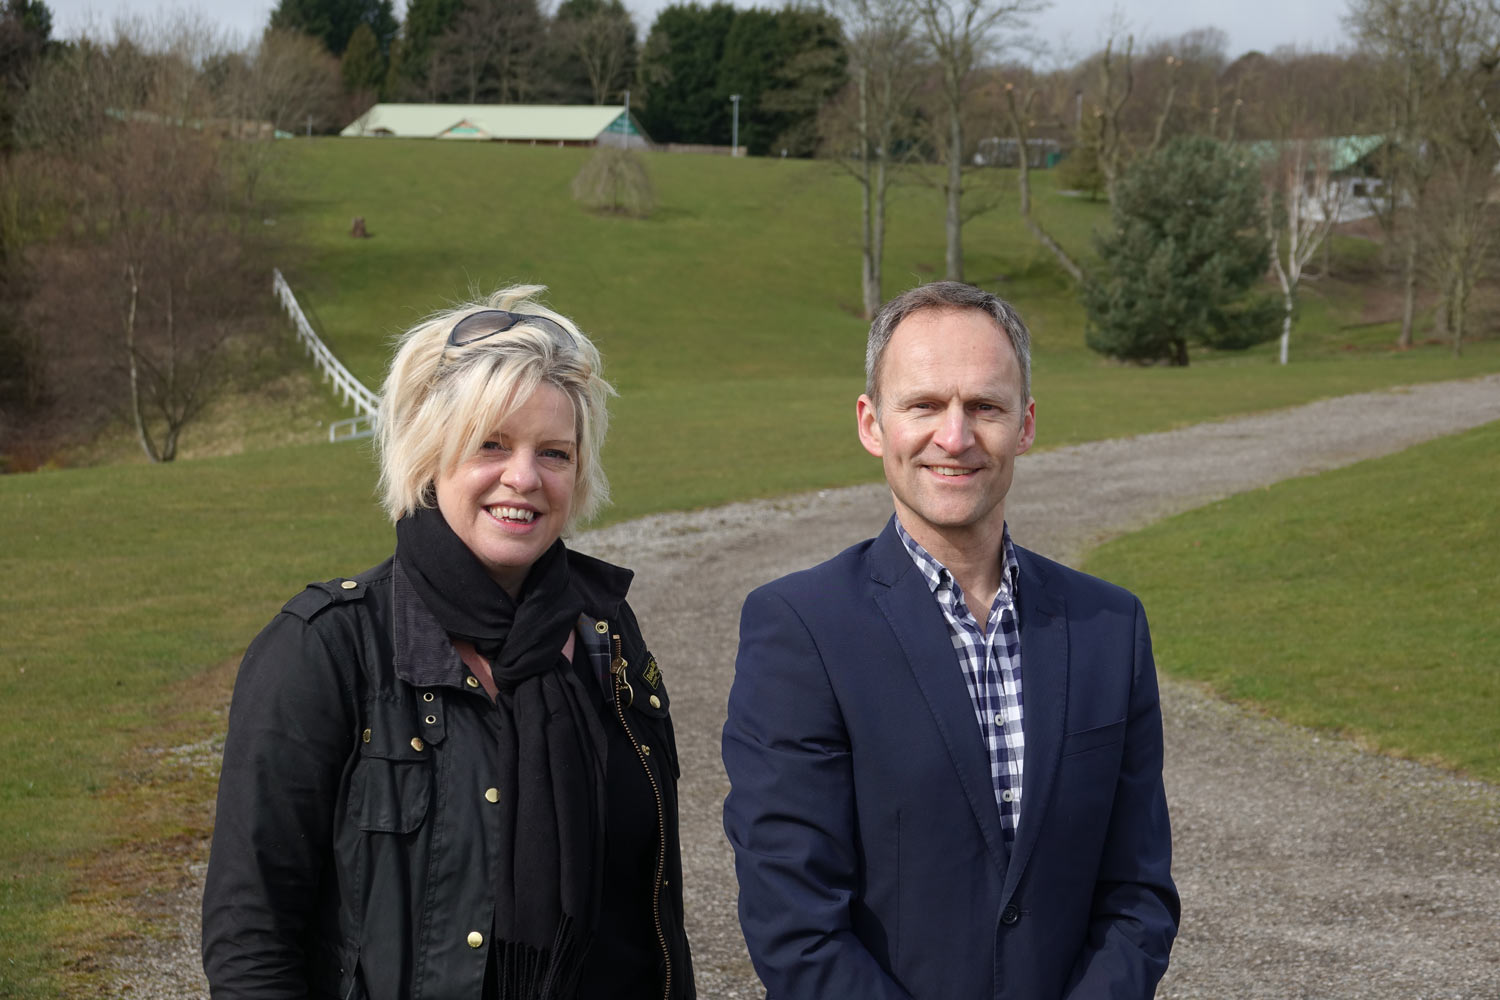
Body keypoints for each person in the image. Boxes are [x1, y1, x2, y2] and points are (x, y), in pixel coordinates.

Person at [203, 286, 695, 1000]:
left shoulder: (606, 634)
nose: (523, 477)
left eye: (552, 452)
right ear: (430, 454)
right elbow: (252, 940)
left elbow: (648, 912)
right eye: (491, 443)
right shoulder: (325, 650)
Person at [722, 281, 1179, 999]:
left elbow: (1137, 893)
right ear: (873, 424)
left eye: (985, 407)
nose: (956, 437)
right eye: (926, 405)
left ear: (1024, 425)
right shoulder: (801, 629)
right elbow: (796, 924)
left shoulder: (1109, 628)